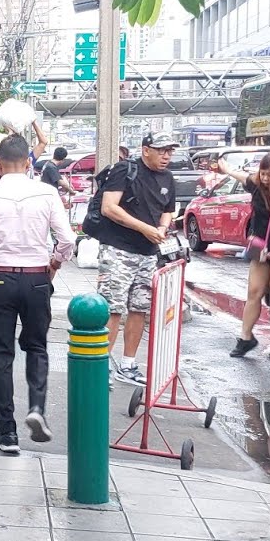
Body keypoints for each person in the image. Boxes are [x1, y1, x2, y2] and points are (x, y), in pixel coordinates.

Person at [0, 134, 78, 453]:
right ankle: (36, 408)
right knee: (37, 347)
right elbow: (67, 241)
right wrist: (54, 264)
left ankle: (7, 433)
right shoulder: (46, 193)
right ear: (28, 163)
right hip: (36, 277)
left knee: (1, 355)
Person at [96, 132, 179, 387]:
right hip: (118, 250)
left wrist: (162, 229)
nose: (166, 155)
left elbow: (168, 210)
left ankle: (128, 364)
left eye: (169, 151)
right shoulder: (125, 170)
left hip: (148, 252)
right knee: (112, 307)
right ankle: (102, 365)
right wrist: (144, 228)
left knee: (139, 308)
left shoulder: (168, 178)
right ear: (146, 150)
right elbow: (109, 207)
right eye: (161, 150)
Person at [221, 152, 270, 357]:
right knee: (253, 293)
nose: (265, 178)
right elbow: (239, 175)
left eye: (269, 175)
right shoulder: (256, 184)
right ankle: (245, 338)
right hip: (260, 244)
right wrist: (227, 169)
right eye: (263, 174)